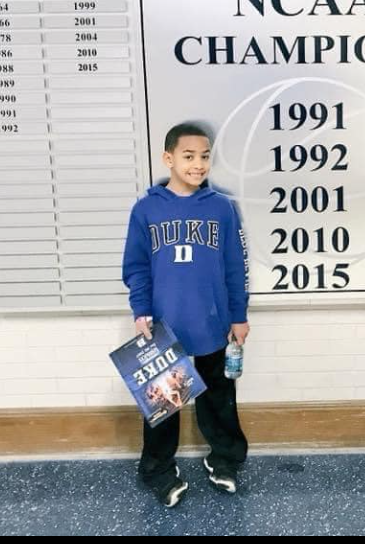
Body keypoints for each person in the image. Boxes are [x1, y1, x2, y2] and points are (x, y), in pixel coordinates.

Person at [123, 122, 250, 507]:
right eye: (189, 156)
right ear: (169, 158)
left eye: (205, 156)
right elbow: (137, 266)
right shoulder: (146, 209)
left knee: (219, 399)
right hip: (165, 324)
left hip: (213, 322)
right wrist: (141, 310)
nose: (198, 164)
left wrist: (238, 315)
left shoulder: (222, 208)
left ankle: (225, 460)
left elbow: (235, 266)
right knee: (163, 407)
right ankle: (158, 470)